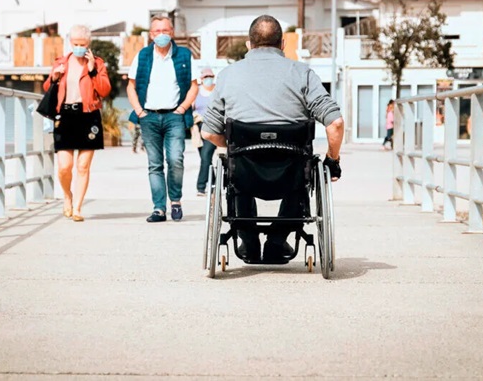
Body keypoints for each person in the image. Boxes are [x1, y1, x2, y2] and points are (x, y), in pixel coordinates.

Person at [201, 14, 344, 263]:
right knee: (301, 171)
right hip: (291, 174)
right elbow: (336, 124)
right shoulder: (303, 73)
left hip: (245, 173)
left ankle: (249, 241)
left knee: (236, 174)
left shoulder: (227, 76)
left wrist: (233, 146)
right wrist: (333, 159)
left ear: (249, 44)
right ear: (283, 45)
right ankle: (277, 242)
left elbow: (209, 132)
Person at [127, 15, 198, 223]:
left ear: (172, 32)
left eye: (165, 31)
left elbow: (194, 85)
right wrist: (140, 111)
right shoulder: (143, 56)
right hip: (149, 116)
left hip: (174, 116)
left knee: (176, 159)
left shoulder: (184, 55)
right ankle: (159, 208)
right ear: (151, 34)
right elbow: (131, 86)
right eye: (157, 32)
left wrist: (183, 107)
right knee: (155, 164)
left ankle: (175, 201)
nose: (161, 35)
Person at [44, 25, 111, 222]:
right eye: (75, 44)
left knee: (83, 166)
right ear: (70, 43)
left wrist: (92, 71)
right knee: (65, 166)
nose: (79, 47)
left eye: (83, 44)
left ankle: (78, 207)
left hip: (88, 116)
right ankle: (67, 196)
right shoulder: (61, 62)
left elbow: (105, 90)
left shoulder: (97, 64)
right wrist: (55, 77)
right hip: (65, 116)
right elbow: (47, 88)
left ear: (88, 44)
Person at [193, 66, 217, 197]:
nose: (208, 79)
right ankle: (214, 183)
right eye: (205, 77)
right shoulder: (196, 91)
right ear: (201, 79)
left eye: (210, 77)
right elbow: (191, 107)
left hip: (212, 127)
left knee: (205, 156)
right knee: (205, 159)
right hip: (198, 128)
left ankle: (201, 186)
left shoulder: (217, 90)